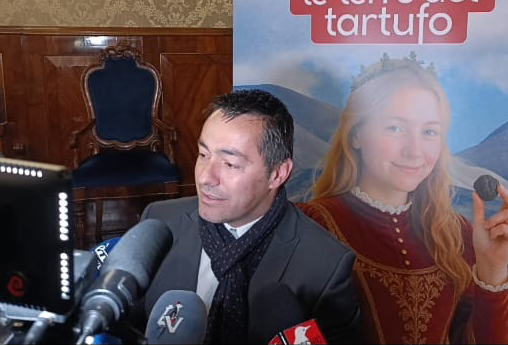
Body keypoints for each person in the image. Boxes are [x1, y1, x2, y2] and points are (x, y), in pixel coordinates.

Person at [297, 53, 508, 344]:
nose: (414, 150)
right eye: (395, 128)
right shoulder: (310, 226)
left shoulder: (458, 234)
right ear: (356, 135)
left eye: (429, 131)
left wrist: (493, 269)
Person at [135, 89, 362, 344]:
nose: (205, 177)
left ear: (278, 174)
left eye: (230, 164)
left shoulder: (325, 266)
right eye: (203, 155)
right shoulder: (160, 223)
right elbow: (129, 325)